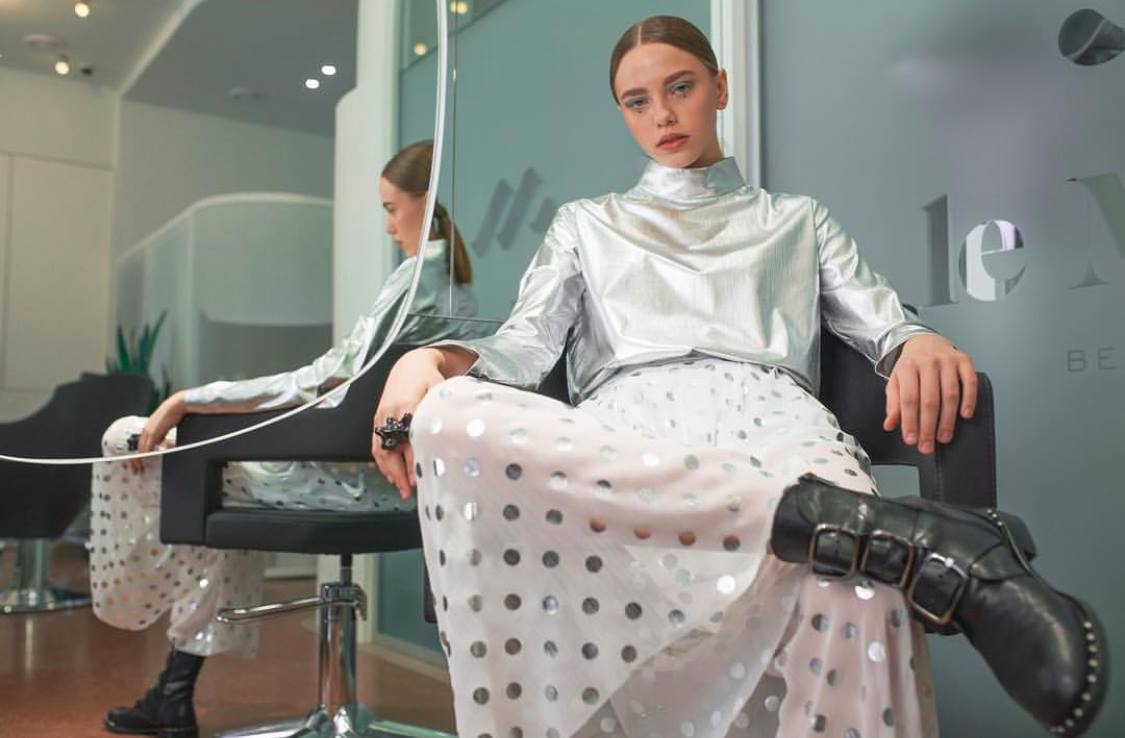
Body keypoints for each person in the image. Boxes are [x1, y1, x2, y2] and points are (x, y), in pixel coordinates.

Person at [371, 18, 1107, 738]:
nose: (662, 115)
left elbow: (884, 324)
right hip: (624, 449)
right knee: (448, 415)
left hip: (777, 426)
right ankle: (890, 534)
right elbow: (522, 350)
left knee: (859, 589)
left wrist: (916, 341)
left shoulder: (797, 221)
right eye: (637, 101)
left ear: (719, 88)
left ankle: (852, 532)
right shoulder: (585, 225)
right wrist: (423, 360)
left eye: (680, 87)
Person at [93, 140, 485, 738]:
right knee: (201, 489)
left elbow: (323, 381)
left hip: (355, 482)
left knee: (128, 440)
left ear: (425, 202)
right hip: (401, 489)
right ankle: (174, 689)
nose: (387, 226)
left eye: (391, 208)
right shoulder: (457, 291)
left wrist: (192, 398)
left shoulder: (414, 284)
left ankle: (164, 665)